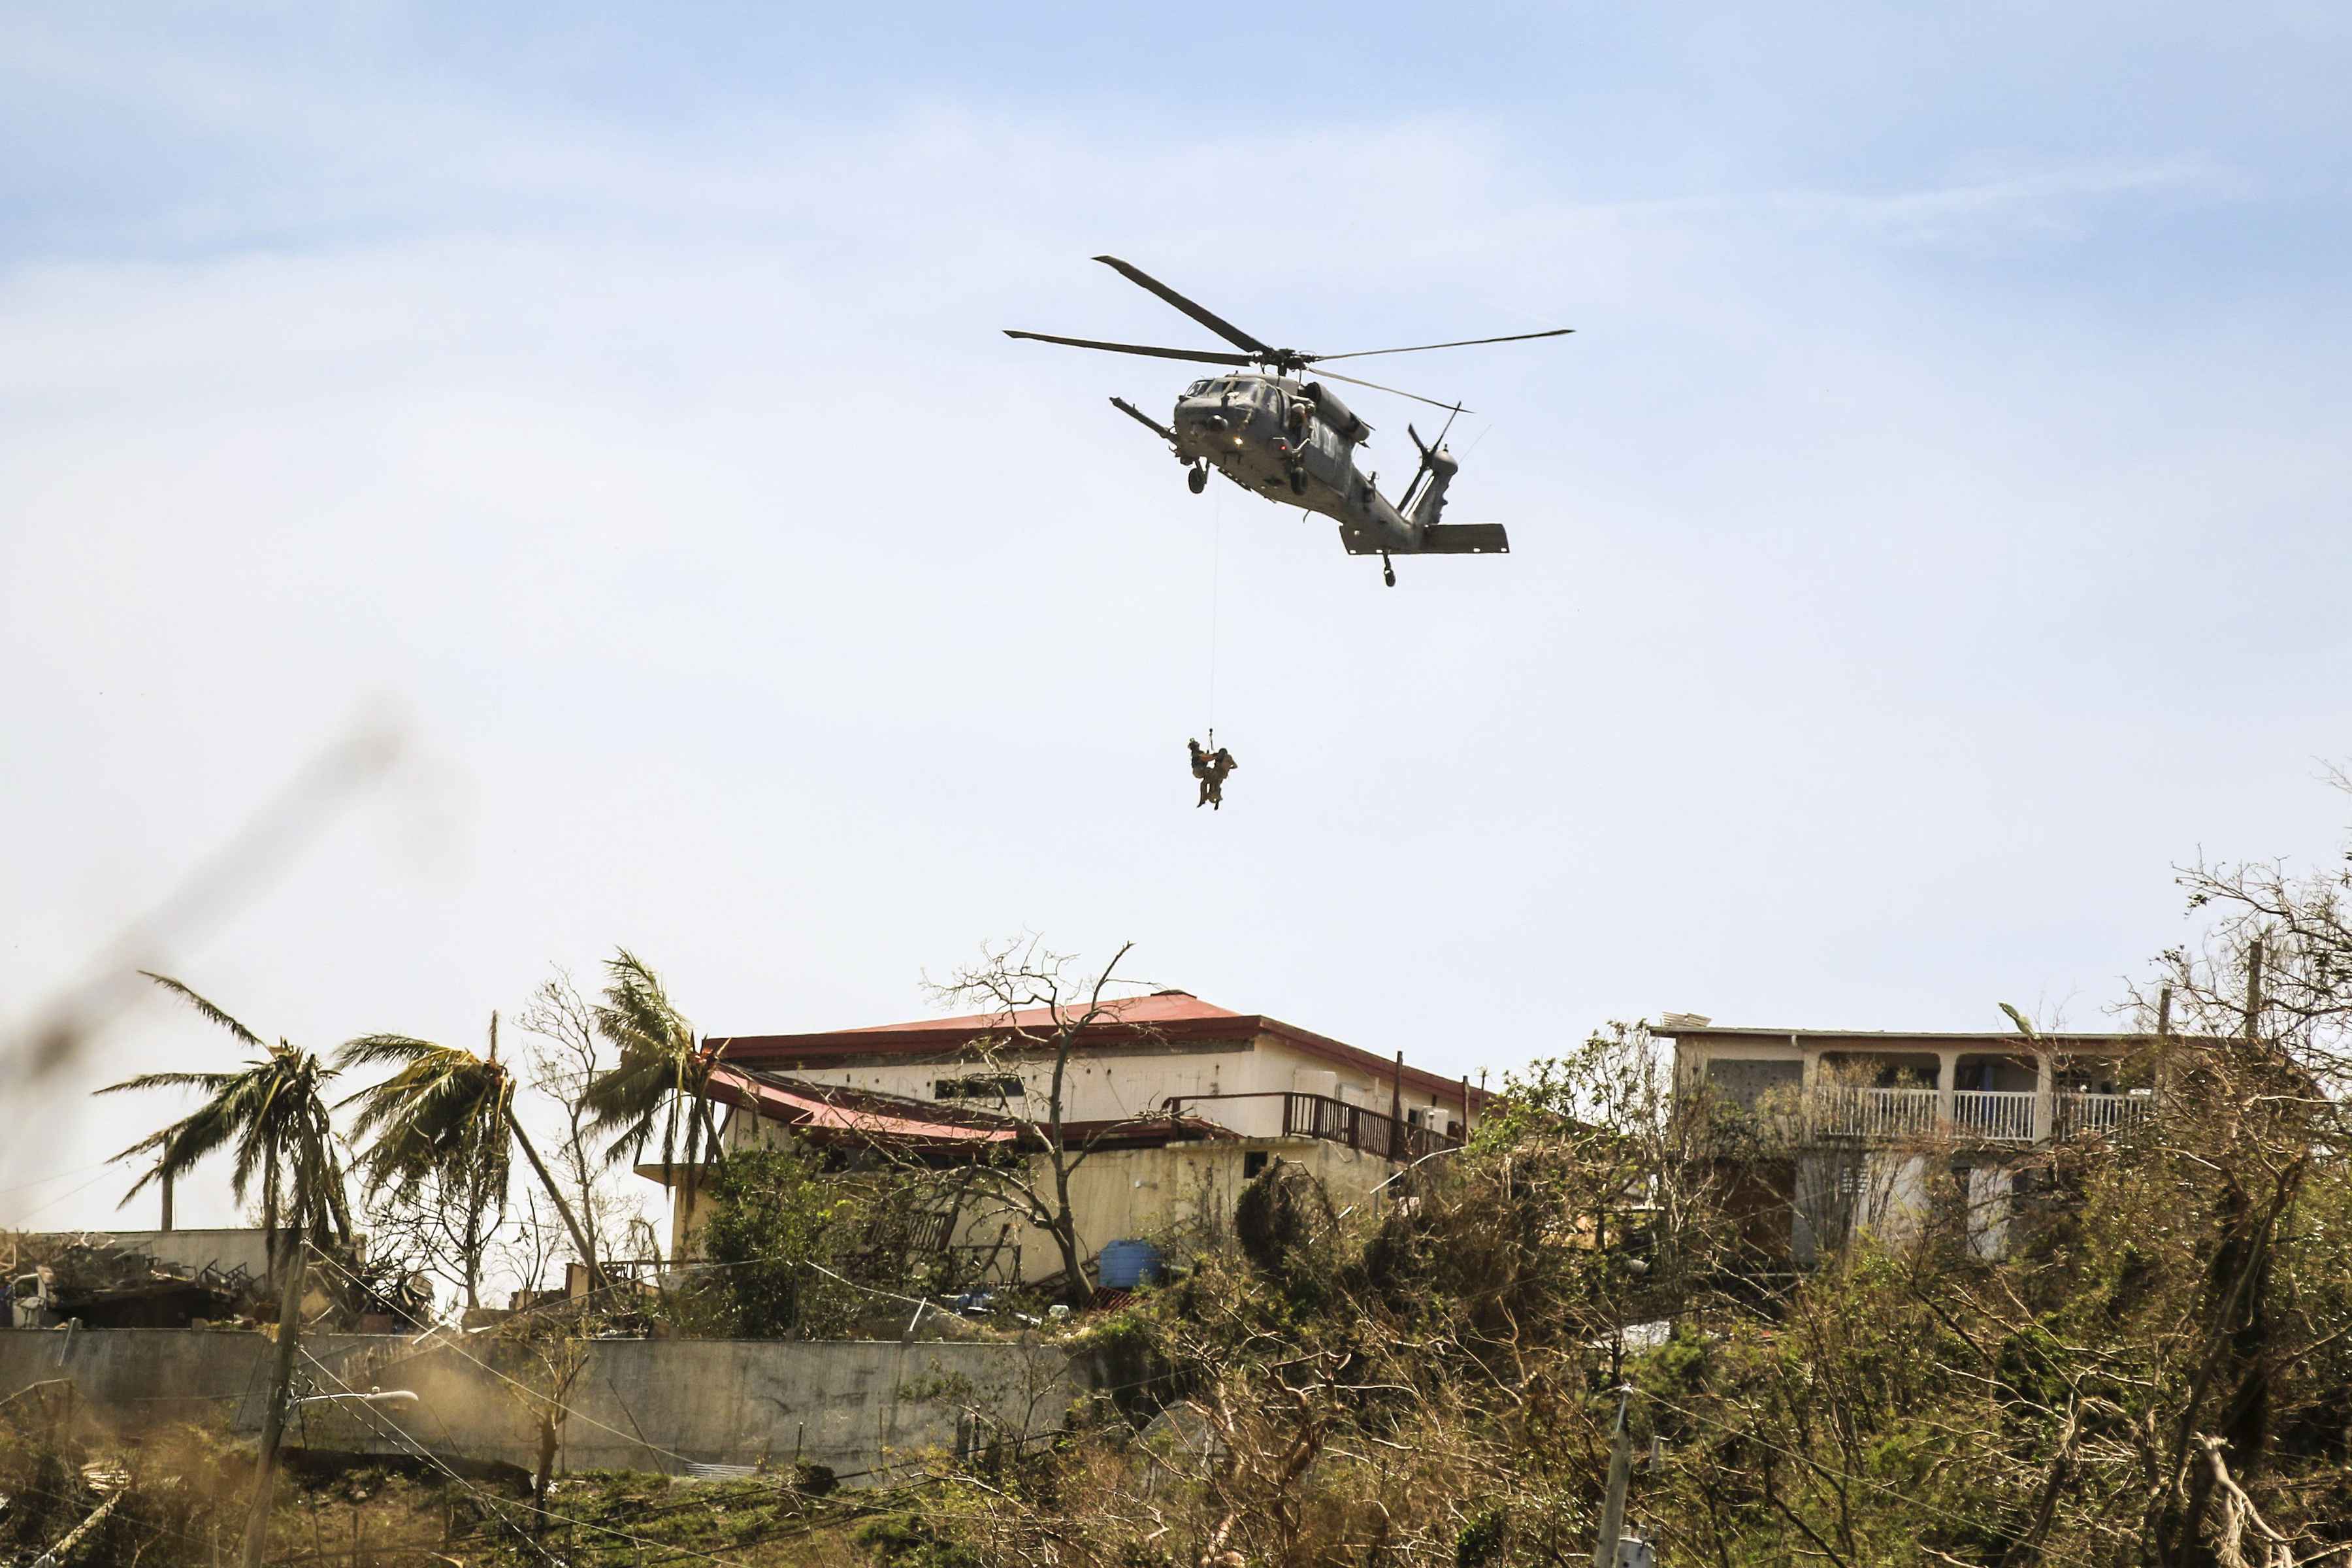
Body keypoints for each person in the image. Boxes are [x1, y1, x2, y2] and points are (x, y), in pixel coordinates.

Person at [1186, 739, 1238, 809]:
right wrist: (1229, 768)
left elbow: (1207, 758)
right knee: (1215, 784)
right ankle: (1215, 799)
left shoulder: (1197, 754)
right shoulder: (1229, 759)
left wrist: (1213, 756)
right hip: (1221, 775)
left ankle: (1204, 799)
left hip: (1210, 772)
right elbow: (1235, 766)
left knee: (1205, 783)